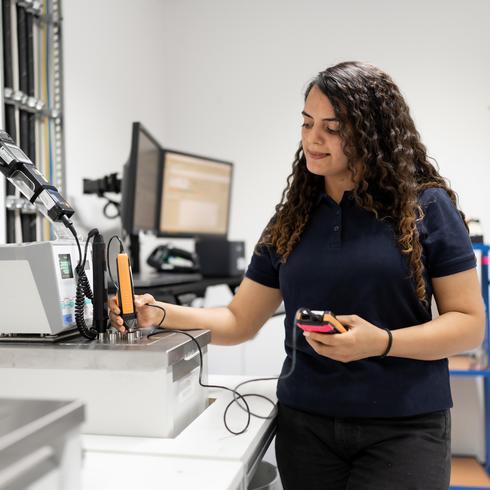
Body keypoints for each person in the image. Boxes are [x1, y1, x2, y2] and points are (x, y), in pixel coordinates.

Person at [109, 61, 485, 490]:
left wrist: (382, 342)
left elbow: (468, 325)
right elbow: (238, 322)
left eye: (333, 126)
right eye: (306, 123)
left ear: (372, 133)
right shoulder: (293, 219)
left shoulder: (426, 208)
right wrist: (157, 313)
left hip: (403, 428)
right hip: (306, 430)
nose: (313, 138)